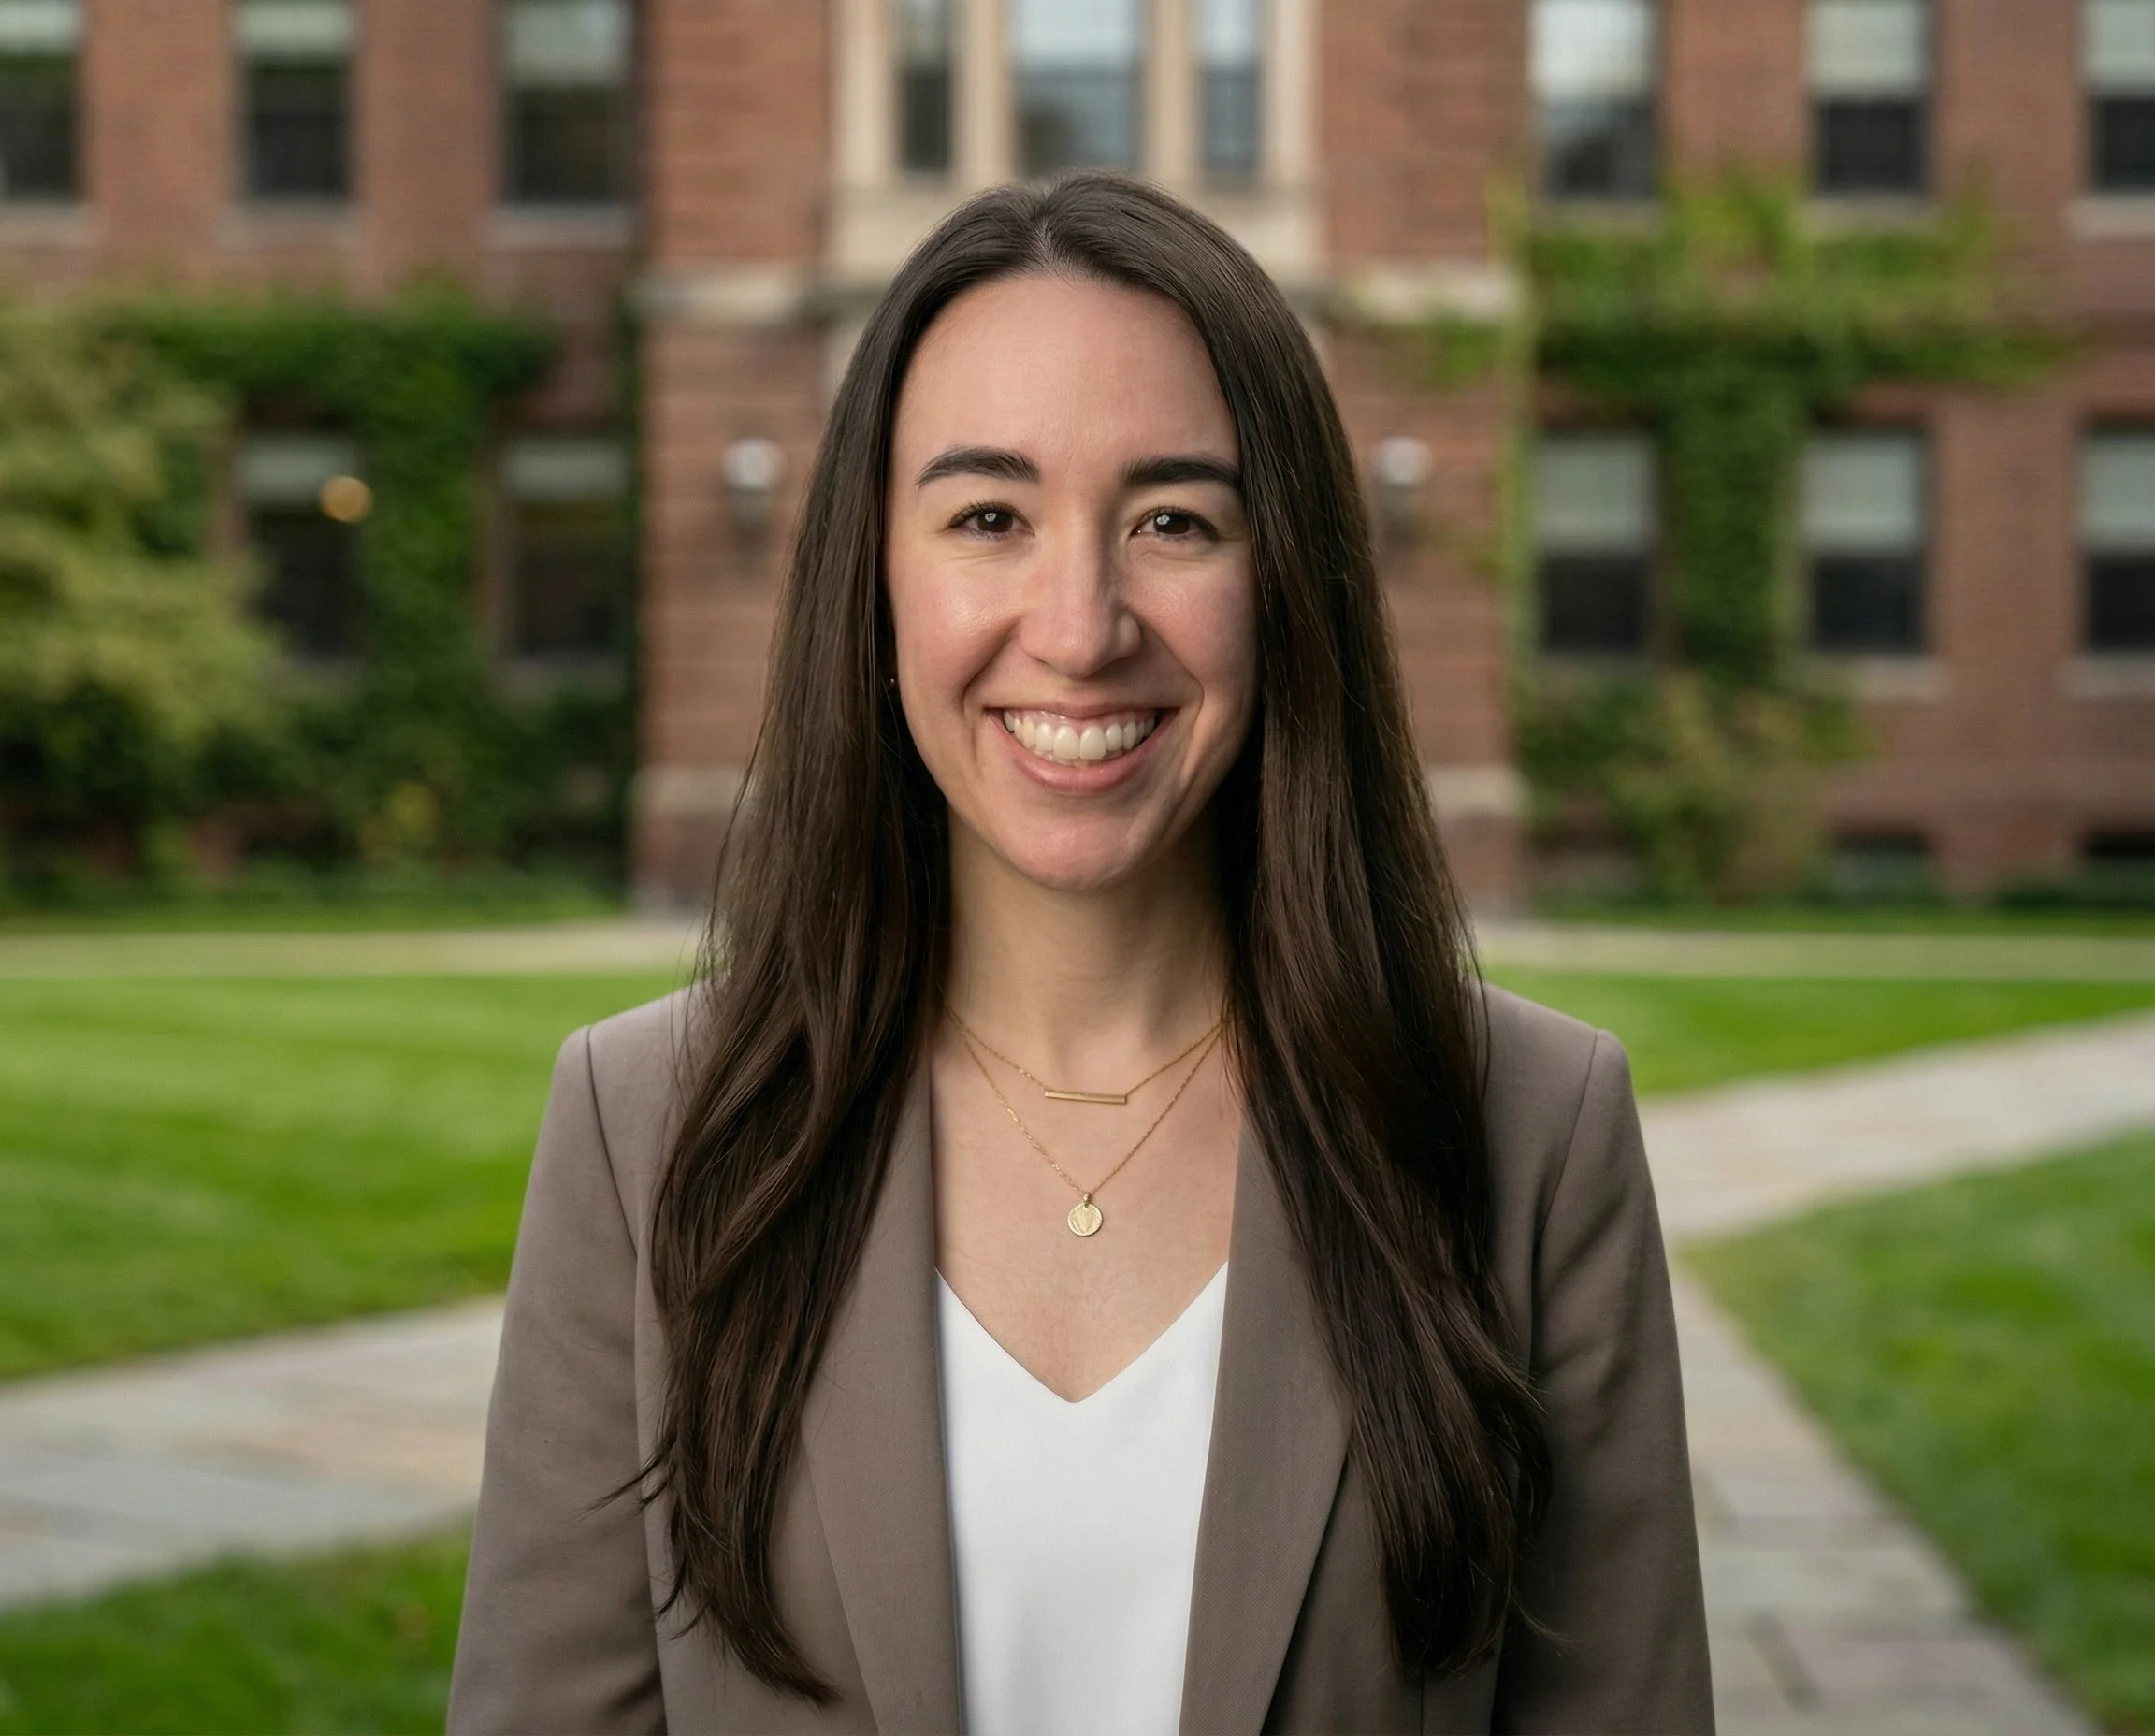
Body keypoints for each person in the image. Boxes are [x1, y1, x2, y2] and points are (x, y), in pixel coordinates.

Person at [448, 172, 1712, 1736]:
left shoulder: (1530, 1129)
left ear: (1288, 582)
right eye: (988, 516)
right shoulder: (647, 1130)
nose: (1081, 621)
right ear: (874, 579)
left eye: (1174, 520)